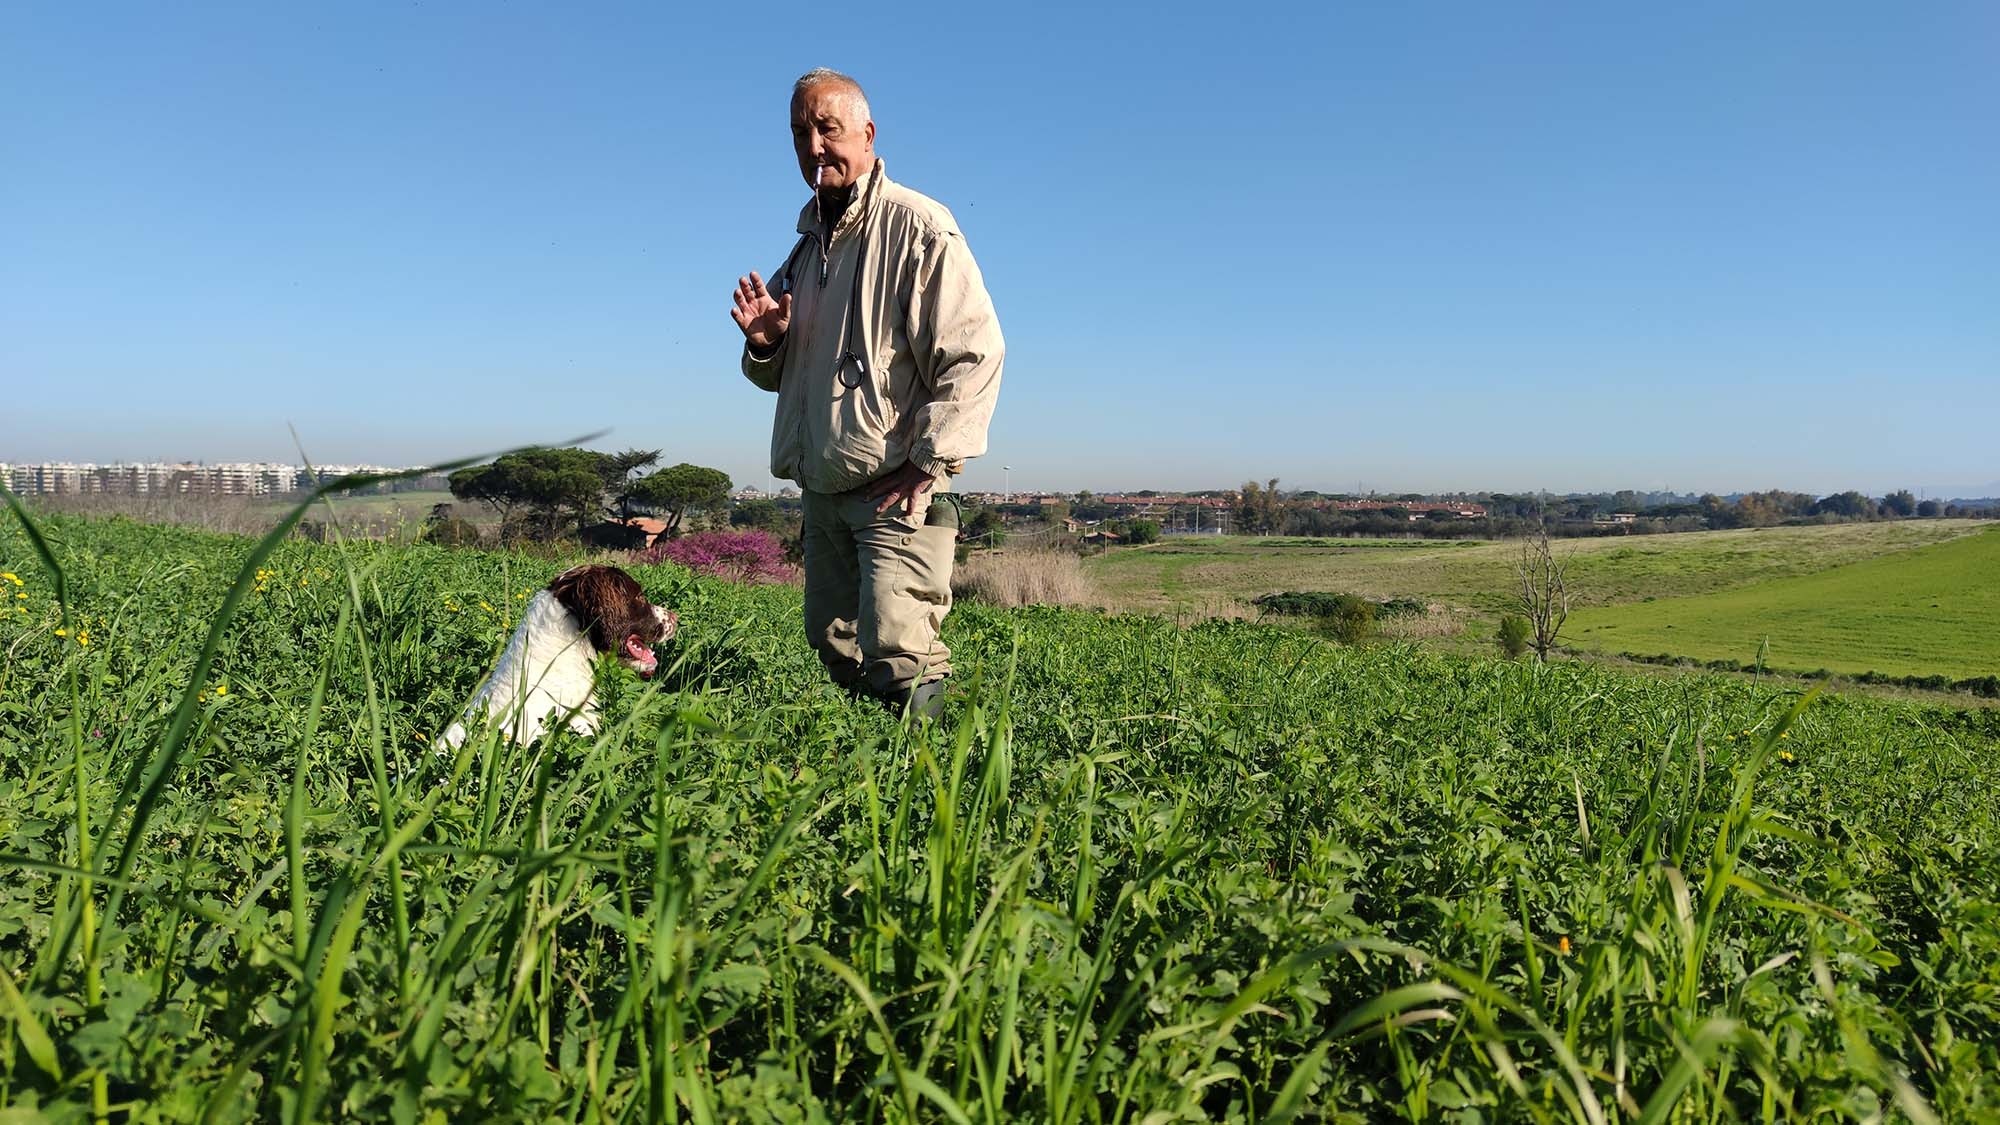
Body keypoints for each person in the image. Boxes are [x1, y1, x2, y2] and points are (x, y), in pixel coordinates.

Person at [729, 68, 1004, 719]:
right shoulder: (804, 253)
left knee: (901, 648)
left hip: (895, 483)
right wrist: (767, 344)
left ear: (868, 134)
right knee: (833, 640)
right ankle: (867, 760)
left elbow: (975, 353)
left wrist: (929, 459)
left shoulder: (919, 226)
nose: (814, 147)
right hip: (823, 488)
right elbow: (777, 378)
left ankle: (941, 766)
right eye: (800, 134)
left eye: (828, 129)